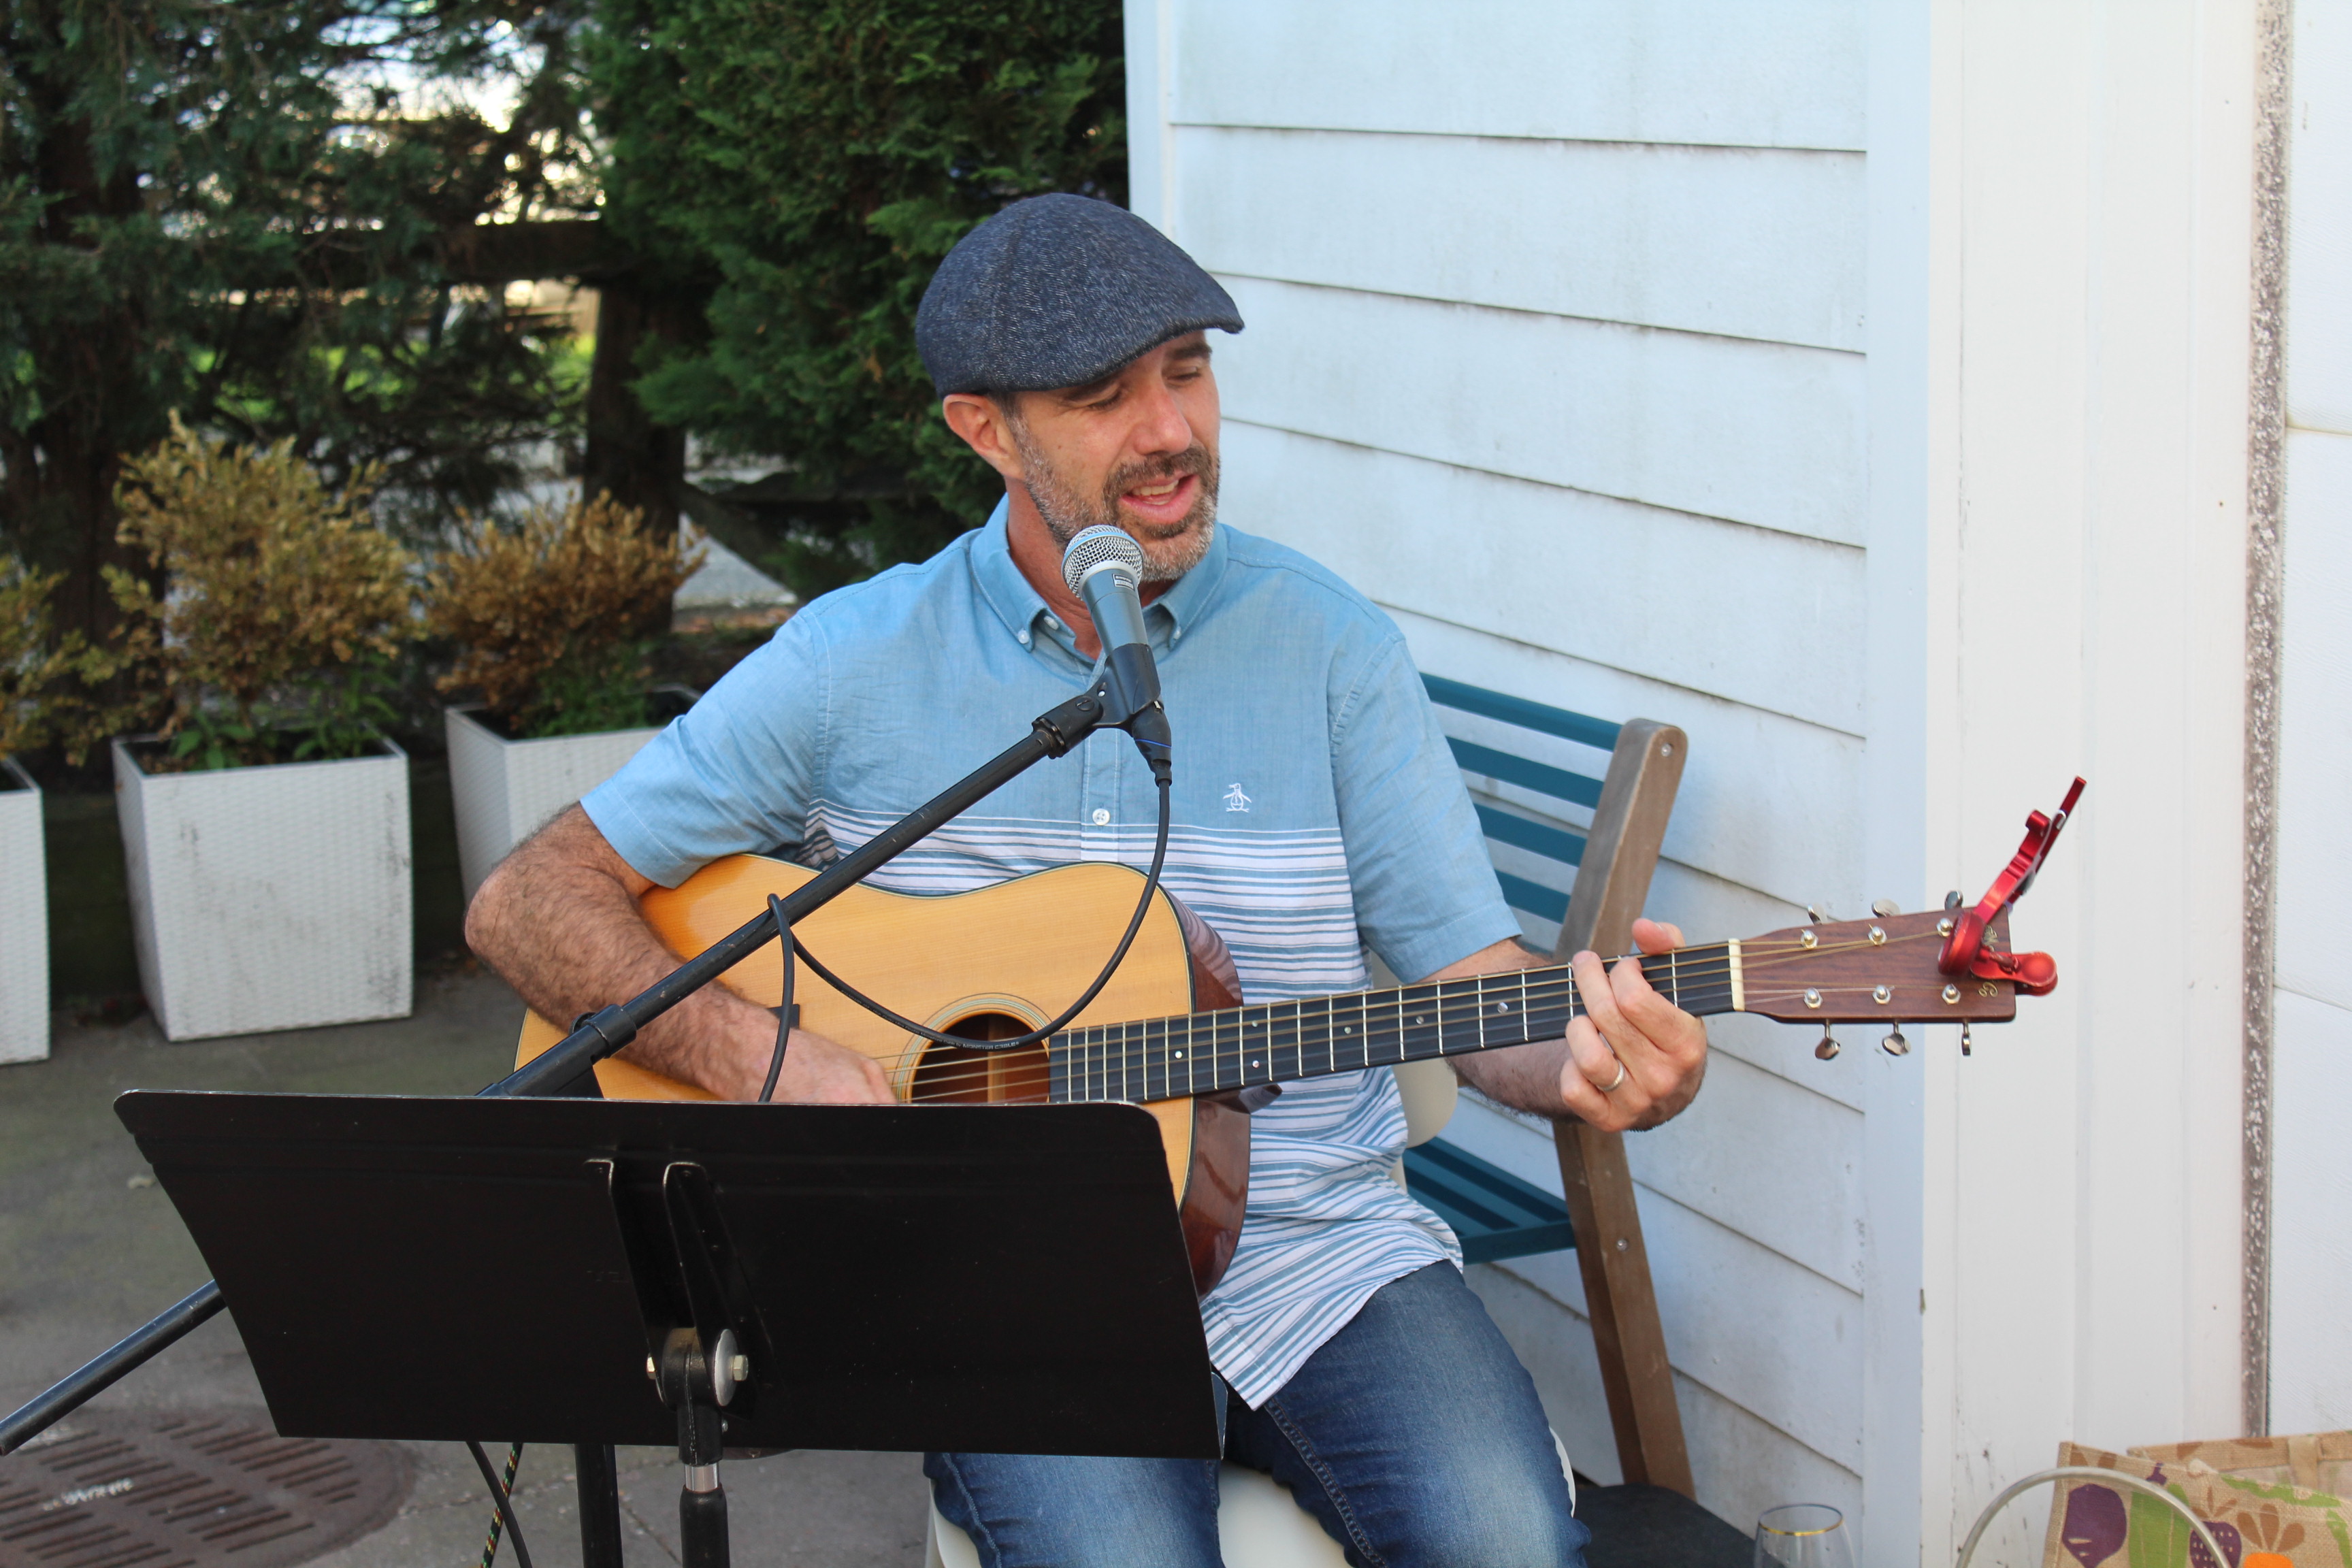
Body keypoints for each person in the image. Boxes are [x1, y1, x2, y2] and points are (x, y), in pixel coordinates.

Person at [466, 193, 1710, 1568]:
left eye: (1187, 369)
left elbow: (1475, 987)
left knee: (1511, 1545)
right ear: (985, 430)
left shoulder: (1330, 646)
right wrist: (763, 1060)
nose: (1170, 430)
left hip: (1326, 1255)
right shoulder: (852, 664)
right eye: (1103, 395)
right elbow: (526, 901)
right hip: (996, 1284)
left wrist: (1598, 1057)